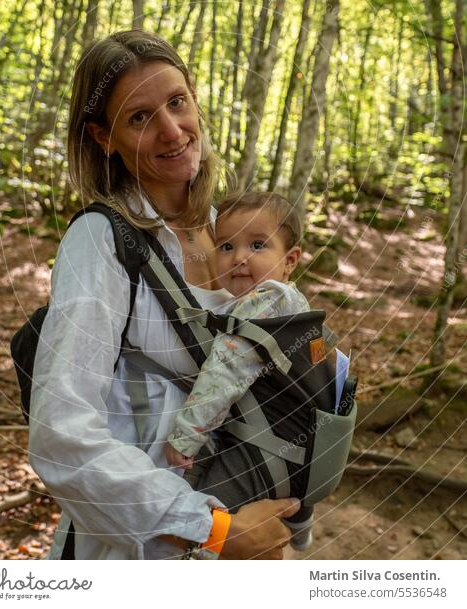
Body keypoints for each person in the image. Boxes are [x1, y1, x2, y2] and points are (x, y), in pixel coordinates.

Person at [28, 30, 300, 560]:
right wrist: (214, 530)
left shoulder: (232, 233)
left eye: (178, 102)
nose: (172, 131)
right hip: (144, 551)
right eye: (139, 117)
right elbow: (61, 434)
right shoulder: (102, 241)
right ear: (104, 137)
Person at [164, 190, 314, 551]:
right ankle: (300, 524)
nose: (240, 258)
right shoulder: (295, 303)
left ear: (290, 259)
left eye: (258, 245)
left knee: (209, 523)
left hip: (264, 450)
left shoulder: (267, 301)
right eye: (227, 246)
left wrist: (186, 436)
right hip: (298, 447)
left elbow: (226, 371)